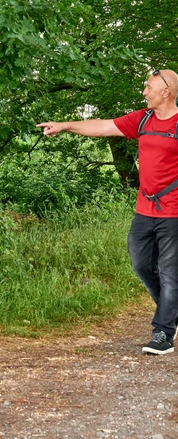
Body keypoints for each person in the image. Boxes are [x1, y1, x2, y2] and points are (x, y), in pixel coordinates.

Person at [37, 69, 178, 355]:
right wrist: (65, 125)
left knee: (170, 272)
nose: (144, 92)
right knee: (140, 264)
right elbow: (102, 126)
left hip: (174, 211)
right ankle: (171, 309)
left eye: (148, 87)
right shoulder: (143, 119)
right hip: (144, 209)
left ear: (166, 91)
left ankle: (163, 333)